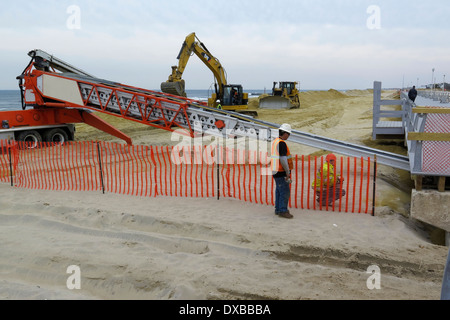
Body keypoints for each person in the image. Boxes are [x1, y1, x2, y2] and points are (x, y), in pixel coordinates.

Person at [271, 123, 294, 219]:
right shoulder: (281, 143)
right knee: (284, 191)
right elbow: (283, 159)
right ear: (285, 133)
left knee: (279, 191)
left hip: (275, 171)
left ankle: (278, 209)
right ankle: (283, 210)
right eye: (288, 134)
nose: (288, 136)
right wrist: (287, 172)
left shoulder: (275, 141)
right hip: (281, 171)